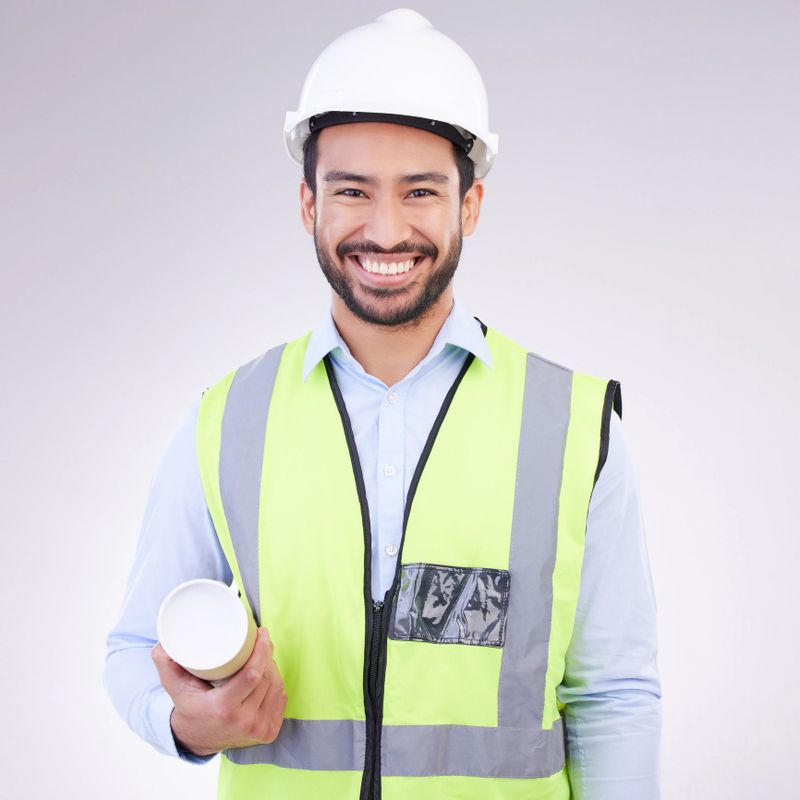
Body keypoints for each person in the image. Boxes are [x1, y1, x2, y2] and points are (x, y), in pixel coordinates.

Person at [104, 8, 661, 799]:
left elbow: (613, 699)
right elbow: (132, 649)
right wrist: (186, 723)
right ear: (309, 205)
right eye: (353, 191)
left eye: (421, 191)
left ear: (470, 206)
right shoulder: (229, 420)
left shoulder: (572, 428)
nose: (386, 229)